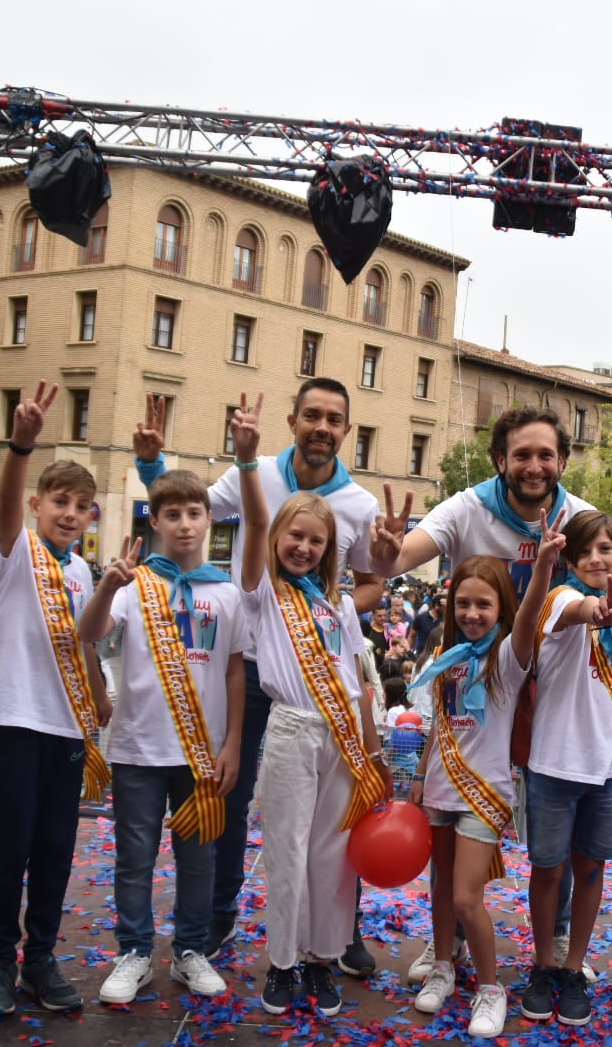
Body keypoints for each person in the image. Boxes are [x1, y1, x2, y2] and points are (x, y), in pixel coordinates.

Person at [370, 407, 612, 983]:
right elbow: (400, 558)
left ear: (563, 463)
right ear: (500, 460)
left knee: (565, 812)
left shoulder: (577, 517)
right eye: (521, 455)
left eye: (545, 455)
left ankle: (561, 939)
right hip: (483, 683)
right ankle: (445, 944)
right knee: (451, 818)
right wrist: (385, 552)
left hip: (553, 688)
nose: (534, 466)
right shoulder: (467, 508)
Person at [133, 382, 384, 973]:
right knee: (234, 789)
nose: (323, 427)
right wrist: (152, 465)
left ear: (347, 431)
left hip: (318, 670)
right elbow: (186, 511)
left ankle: (339, 932)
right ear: (294, 421)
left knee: (334, 811)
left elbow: (371, 581)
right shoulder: (255, 475)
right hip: (246, 659)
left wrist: (332, 603)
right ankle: (220, 914)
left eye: (335, 419)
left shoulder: (360, 505)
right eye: (313, 416)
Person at [231, 393, 391, 1018]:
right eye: (295, 536)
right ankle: (282, 961)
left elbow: (358, 678)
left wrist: (373, 753)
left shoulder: (341, 607)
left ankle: (323, 959)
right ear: (277, 540)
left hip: (345, 738)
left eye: (317, 541)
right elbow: (252, 526)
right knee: (287, 849)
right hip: (294, 731)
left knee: (333, 852)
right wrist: (248, 465)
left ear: (330, 550)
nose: (304, 548)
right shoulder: (263, 595)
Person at [78, 469, 248, 1004]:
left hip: (202, 753)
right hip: (137, 746)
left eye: (194, 514)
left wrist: (234, 742)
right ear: (154, 521)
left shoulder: (227, 593)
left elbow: (236, 671)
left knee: (200, 858)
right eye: (171, 514)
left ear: (209, 519)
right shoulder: (136, 584)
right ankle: (134, 950)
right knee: (134, 855)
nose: (184, 524)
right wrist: (108, 585)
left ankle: (190, 949)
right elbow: (88, 634)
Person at [0, 382, 111, 1018]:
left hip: (64, 732)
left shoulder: (82, 571)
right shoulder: (15, 550)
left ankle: (40, 960)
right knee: (7, 851)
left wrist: (101, 695)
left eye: (82, 505)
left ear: (90, 517)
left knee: (55, 851)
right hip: (9, 721)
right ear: (36, 504)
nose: (69, 513)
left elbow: (83, 643)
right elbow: (3, 504)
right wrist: (21, 444)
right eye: (59, 501)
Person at [406, 553, 554, 1038]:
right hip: (441, 793)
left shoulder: (508, 658)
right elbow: (440, 725)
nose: (472, 613)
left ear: (501, 608)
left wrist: (544, 566)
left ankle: (491, 988)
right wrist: (422, 775)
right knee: (442, 889)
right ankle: (444, 966)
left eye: (484, 605)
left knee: (468, 897)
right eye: (463, 604)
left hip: (483, 795)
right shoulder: (443, 657)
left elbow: (531, 613)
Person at [519, 510, 612, 1027]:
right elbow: (582, 610)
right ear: (571, 560)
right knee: (548, 870)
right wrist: (604, 608)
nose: (597, 558)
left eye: (606, 549)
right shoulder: (560, 600)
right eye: (586, 551)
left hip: (609, 769)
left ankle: (573, 967)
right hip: (553, 763)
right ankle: (543, 963)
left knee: (591, 869)